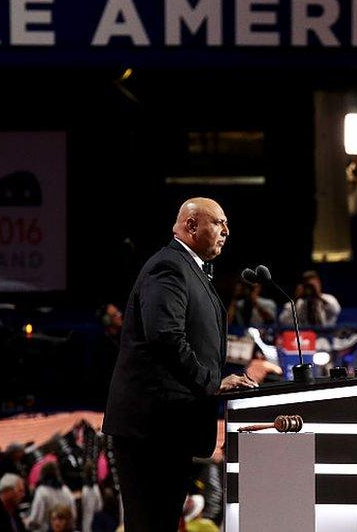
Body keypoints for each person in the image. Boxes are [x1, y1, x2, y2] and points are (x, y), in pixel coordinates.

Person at [102, 197, 256, 531]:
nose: (226, 231)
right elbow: (165, 337)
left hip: (167, 430)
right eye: (218, 223)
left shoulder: (192, 271)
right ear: (190, 225)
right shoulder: (168, 267)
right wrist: (211, 382)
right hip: (150, 430)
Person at [26, 462, 76, 532]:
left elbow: (36, 519)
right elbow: (73, 514)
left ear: (42, 474)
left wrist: (26, 523)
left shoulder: (41, 491)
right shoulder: (66, 490)